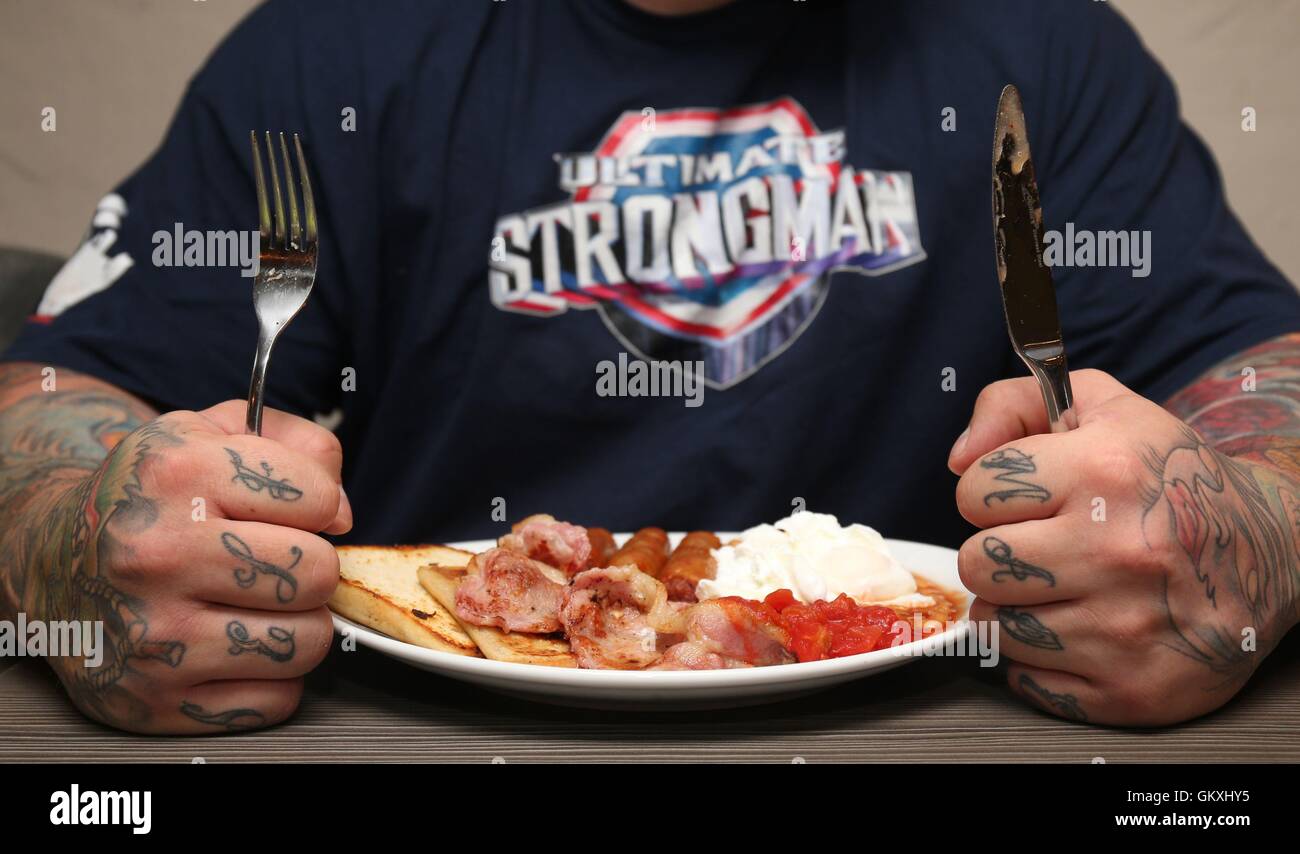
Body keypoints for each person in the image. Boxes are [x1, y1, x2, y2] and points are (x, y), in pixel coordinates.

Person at [2, 0, 1298, 733]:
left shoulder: (1041, 50)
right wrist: (82, 540)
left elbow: (1269, 383)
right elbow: (44, 406)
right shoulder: (334, 49)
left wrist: (1248, 534)